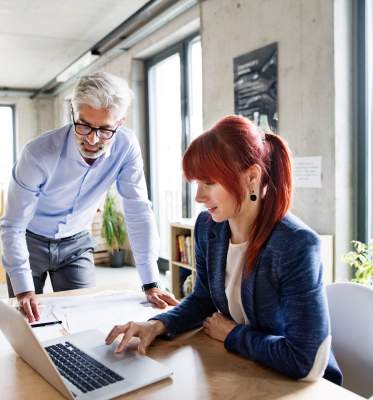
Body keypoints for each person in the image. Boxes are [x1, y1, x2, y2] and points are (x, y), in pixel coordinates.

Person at [105, 115, 343, 385]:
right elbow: (204, 299)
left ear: (252, 176)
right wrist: (157, 325)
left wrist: (234, 335)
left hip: (299, 386)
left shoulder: (296, 245)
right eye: (196, 183)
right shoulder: (208, 227)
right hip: (246, 370)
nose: (198, 197)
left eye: (209, 183)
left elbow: (305, 360)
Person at [0, 72, 178, 323]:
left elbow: (138, 211)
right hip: (30, 242)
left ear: (120, 122)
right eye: (83, 125)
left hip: (76, 244)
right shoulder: (37, 154)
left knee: (85, 322)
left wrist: (150, 283)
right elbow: (12, 226)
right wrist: (24, 290)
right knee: (26, 322)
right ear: (73, 111)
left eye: (105, 129)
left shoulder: (126, 147)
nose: (93, 140)